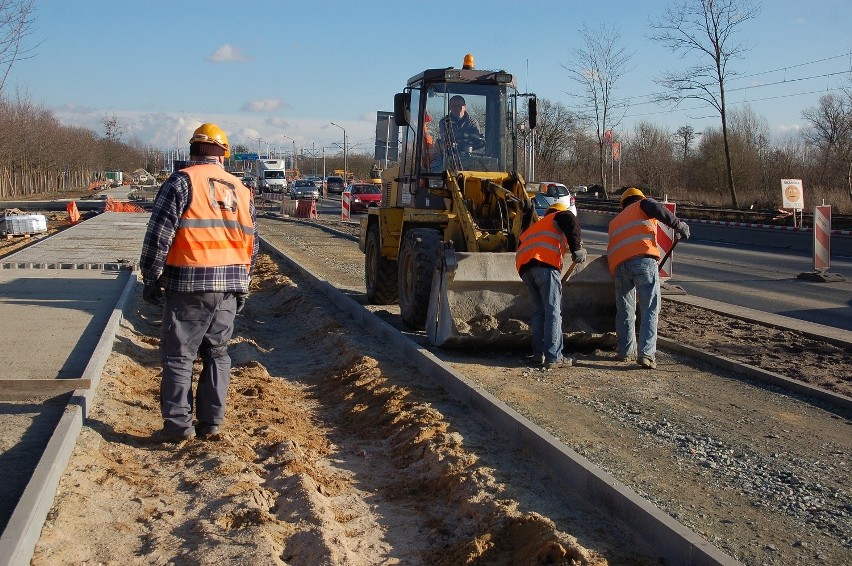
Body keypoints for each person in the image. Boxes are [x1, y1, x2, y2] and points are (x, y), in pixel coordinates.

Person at [139, 122, 259, 443]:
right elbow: (252, 244)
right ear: (225, 155)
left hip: (190, 283)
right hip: (230, 285)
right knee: (217, 353)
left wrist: (150, 277)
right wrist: (242, 284)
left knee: (180, 356)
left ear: (192, 151)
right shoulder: (242, 190)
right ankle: (212, 423)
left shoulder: (181, 182)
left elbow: (158, 236)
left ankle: (178, 428)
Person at [607, 187, 690, 369]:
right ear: (638, 198)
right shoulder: (642, 204)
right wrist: (678, 224)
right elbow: (658, 209)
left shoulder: (615, 220)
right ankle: (646, 355)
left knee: (625, 312)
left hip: (619, 267)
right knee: (650, 308)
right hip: (643, 260)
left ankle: (625, 351)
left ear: (623, 204)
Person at [516, 202, 587, 369]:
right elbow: (571, 219)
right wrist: (576, 248)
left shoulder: (538, 226)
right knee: (553, 311)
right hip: (545, 265)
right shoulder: (560, 216)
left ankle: (538, 354)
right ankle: (554, 356)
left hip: (525, 268)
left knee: (540, 312)